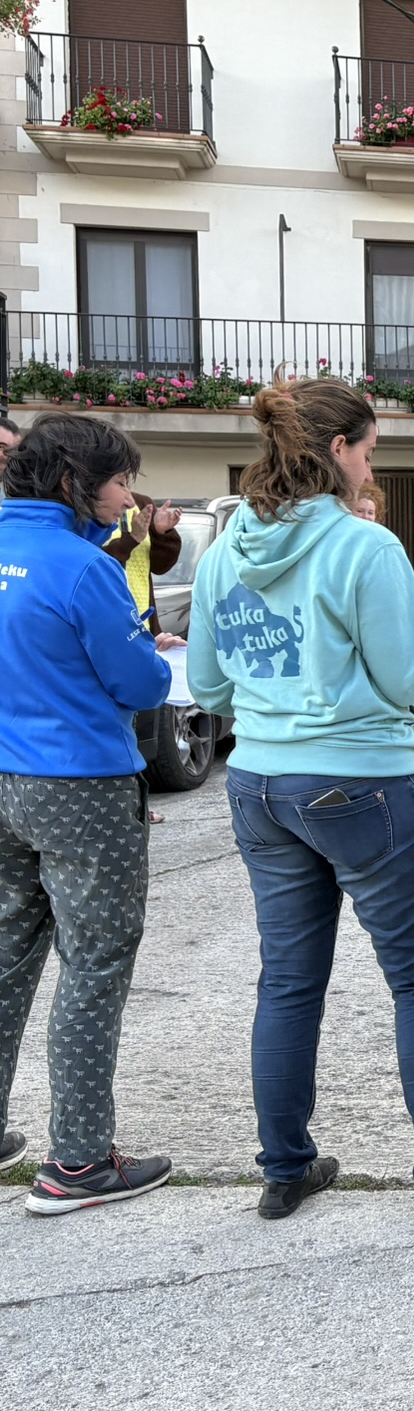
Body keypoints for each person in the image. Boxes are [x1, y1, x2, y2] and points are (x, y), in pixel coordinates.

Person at [187, 376, 414, 1221]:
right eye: (369, 450)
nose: (373, 467)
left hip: (259, 784)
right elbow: (407, 681)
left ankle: (284, 1169)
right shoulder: (366, 548)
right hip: (361, 780)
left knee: (288, 983)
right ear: (338, 450)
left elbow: (209, 687)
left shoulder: (222, 554)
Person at [0, 414, 176, 1213]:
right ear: (74, 481)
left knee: (7, 955)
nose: (128, 497)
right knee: (95, 964)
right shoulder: (83, 567)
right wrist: (148, 651)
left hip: (4, 776)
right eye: (119, 480)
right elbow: (140, 683)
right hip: (79, 782)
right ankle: (77, 1161)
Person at [103, 493, 184, 634]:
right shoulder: (89, 507)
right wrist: (131, 540)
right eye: (120, 483)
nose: (127, 496)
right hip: (106, 619)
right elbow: (93, 562)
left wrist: (160, 532)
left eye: (127, 483)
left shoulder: (142, 504)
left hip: (143, 620)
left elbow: (160, 567)